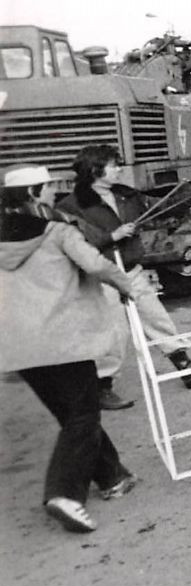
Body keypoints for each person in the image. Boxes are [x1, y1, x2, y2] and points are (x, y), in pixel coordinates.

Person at [0, 164, 142, 534]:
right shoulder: (57, 231)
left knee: (73, 415)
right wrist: (128, 287)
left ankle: (113, 477)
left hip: (17, 347)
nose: (52, 194)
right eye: (46, 189)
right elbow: (96, 264)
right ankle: (64, 494)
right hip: (64, 340)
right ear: (32, 194)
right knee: (83, 416)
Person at [56, 145, 191, 391]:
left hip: (132, 270)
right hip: (102, 278)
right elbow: (70, 241)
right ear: (95, 170)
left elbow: (159, 209)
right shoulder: (72, 206)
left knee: (157, 318)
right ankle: (102, 388)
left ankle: (187, 369)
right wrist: (112, 236)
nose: (119, 169)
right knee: (113, 331)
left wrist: (189, 196)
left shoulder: (126, 195)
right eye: (114, 165)